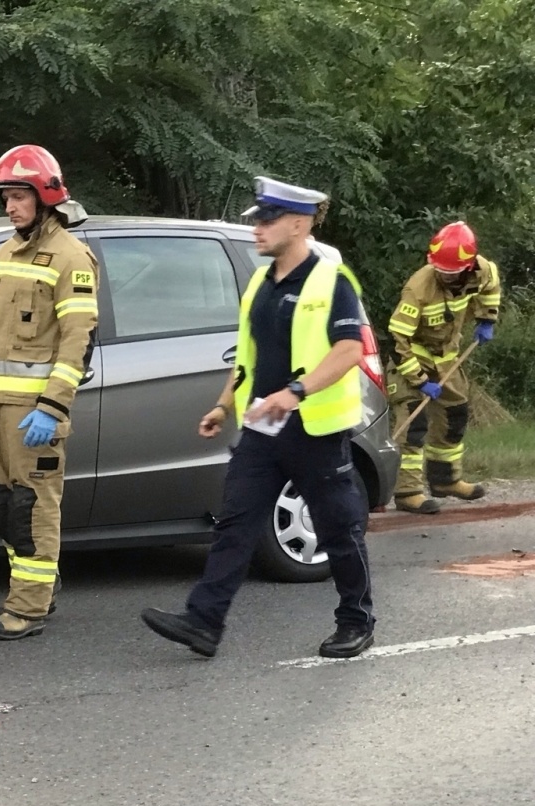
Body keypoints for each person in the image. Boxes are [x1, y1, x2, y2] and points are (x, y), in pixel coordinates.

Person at [141, 177, 375, 660]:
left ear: (298, 223)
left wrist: (295, 393)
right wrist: (223, 404)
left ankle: (357, 620)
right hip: (262, 430)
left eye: (266, 221)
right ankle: (204, 622)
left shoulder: (332, 281)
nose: (257, 229)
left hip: (315, 430)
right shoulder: (259, 282)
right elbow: (247, 357)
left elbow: (350, 350)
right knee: (235, 523)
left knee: (339, 532)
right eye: (256, 220)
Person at [0, 144, 99, 641]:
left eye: (17, 196)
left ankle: (29, 607)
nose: (9, 206)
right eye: (6, 197)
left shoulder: (71, 257)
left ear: (45, 197)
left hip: (34, 413)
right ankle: (39, 586)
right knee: (1, 505)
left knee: (32, 507)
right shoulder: (6, 252)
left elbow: (78, 340)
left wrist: (52, 407)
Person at [386, 220, 501, 512]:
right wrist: (420, 379)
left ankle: (445, 479)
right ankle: (407, 492)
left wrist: (487, 318)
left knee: (456, 414)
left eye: (451, 272)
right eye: (441, 271)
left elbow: (490, 288)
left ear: (468, 265)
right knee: (414, 423)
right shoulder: (418, 289)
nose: (445, 276)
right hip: (412, 356)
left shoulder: (482, 270)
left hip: (447, 355)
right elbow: (397, 339)